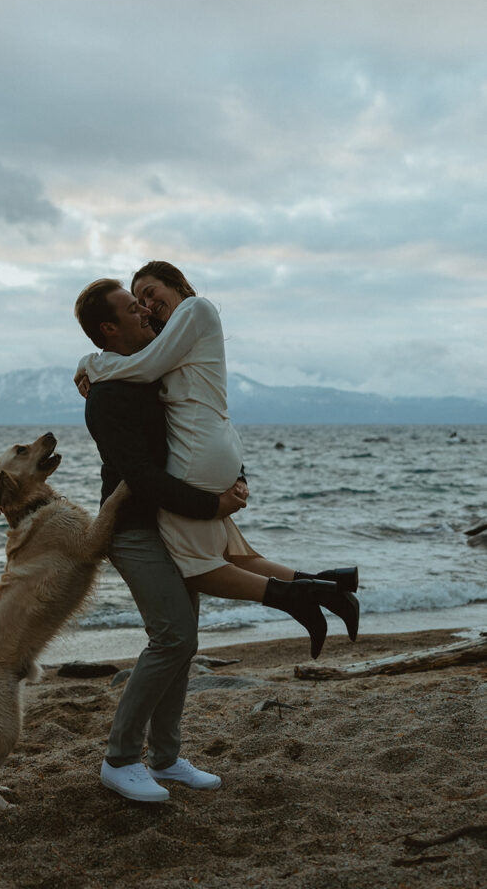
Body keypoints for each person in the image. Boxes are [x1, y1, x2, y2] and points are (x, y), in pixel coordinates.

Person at [76, 262, 359, 662]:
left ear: (177, 284)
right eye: (138, 301)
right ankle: (331, 586)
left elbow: (146, 368)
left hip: (202, 454)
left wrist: (90, 363)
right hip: (216, 447)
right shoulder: (172, 337)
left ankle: (302, 598)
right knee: (236, 554)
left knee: (198, 566)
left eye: (152, 293)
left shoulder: (195, 310)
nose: (147, 306)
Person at [73, 278, 249, 803]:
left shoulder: (153, 370)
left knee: (184, 639)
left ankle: (167, 758)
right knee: (172, 636)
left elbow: (197, 429)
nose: (146, 311)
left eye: (147, 301)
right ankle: (120, 759)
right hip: (133, 530)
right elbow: (143, 477)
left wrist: (234, 476)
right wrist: (211, 506)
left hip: (173, 525)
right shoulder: (106, 396)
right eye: (133, 307)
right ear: (109, 327)